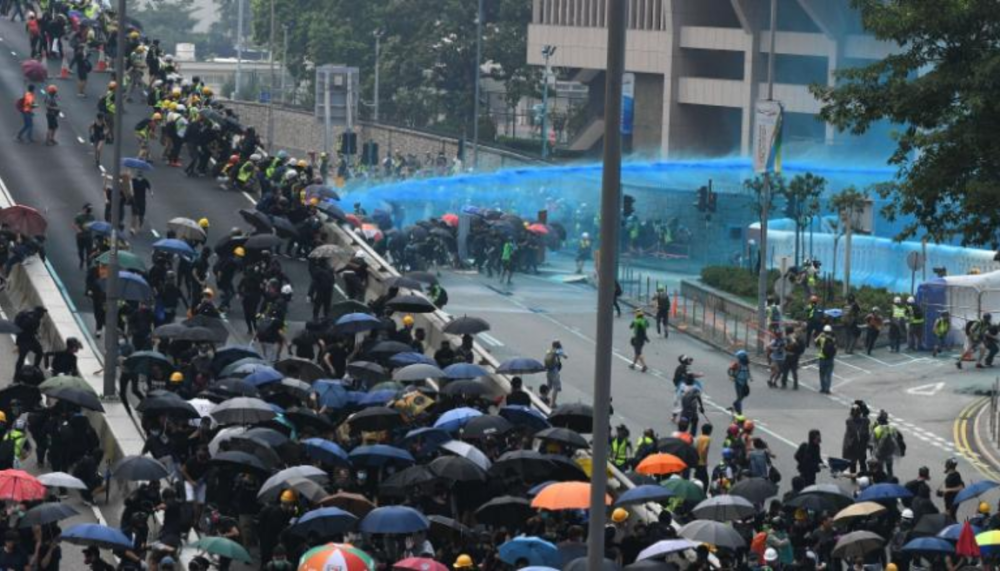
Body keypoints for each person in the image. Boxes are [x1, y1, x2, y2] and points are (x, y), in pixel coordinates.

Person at [872, 410, 904, 478]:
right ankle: (890, 481)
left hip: (879, 454)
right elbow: (896, 439)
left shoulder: (877, 429)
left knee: (879, 469)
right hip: (889, 453)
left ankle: (880, 481)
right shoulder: (892, 428)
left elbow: (872, 442)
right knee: (889, 469)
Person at [842, 401, 870, 474]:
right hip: (861, 445)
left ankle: (853, 475)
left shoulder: (849, 421)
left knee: (853, 462)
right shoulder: (865, 421)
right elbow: (867, 419)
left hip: (852, 445)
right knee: (862, 461)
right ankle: (863, 475)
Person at [543, 340, 566, 406]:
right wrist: (564, 355)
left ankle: (543, 398)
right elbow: (565, 356)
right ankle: (552, 403)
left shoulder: (549, 351)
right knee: (556, 387)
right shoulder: (557, 351)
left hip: (549, 371)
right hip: (554, 371)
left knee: (549, 386)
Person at [815, 325, 836, 394]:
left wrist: (820, 335)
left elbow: (815, 342)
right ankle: (827, 389)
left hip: (822, 357)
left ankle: (823, 388)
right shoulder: (833, 338)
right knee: (829, 375)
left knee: (822, 374)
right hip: (830, 358)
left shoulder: (821, 338)